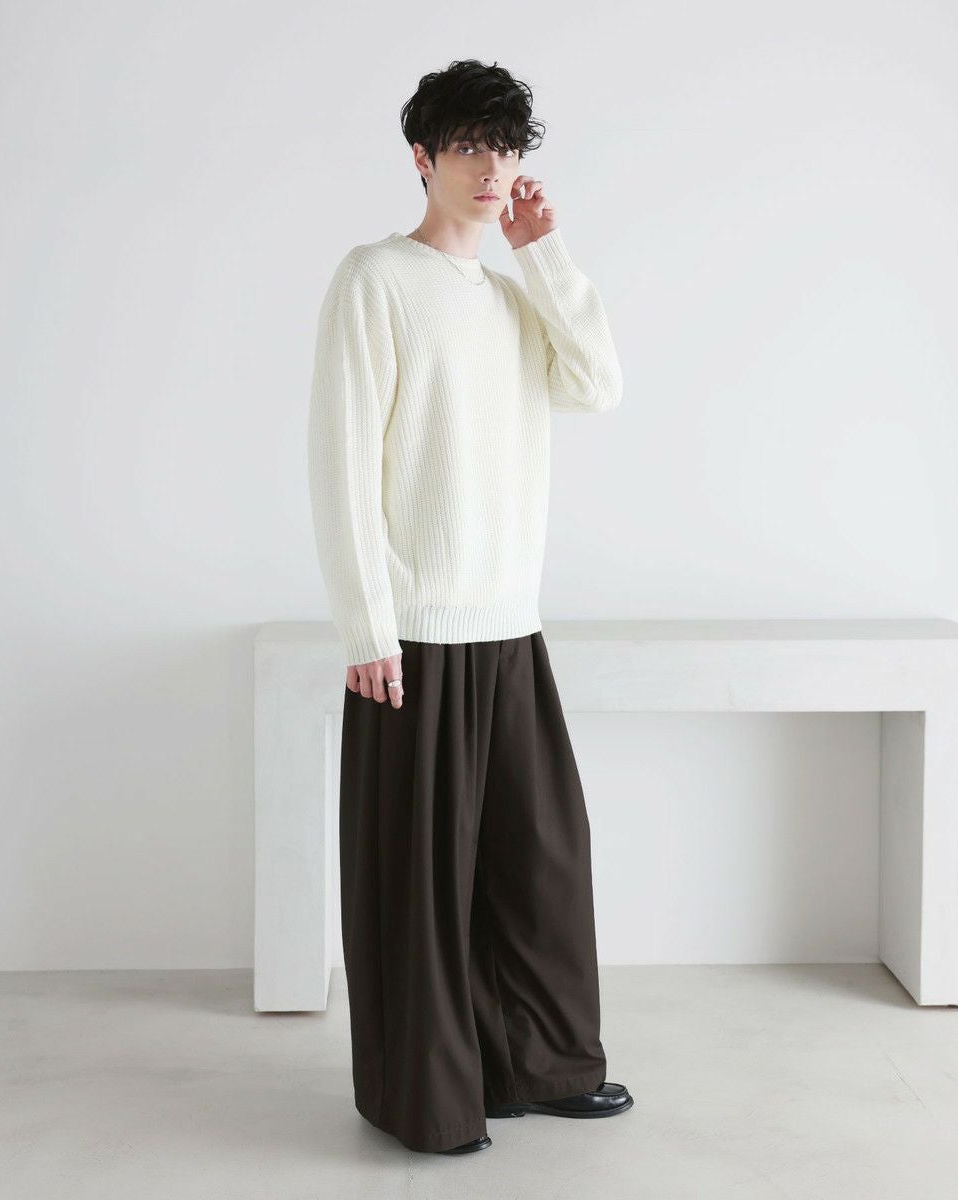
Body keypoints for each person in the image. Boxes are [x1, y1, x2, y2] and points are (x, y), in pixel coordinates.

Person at [307, 58, 634, 1155]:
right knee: (421, 883)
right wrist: (366, 626)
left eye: (505, 147)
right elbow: (341, 461)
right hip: (414, 636)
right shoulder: (375, 279)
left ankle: (541, 1067)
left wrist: (544, 253)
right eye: (467, 148)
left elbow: (597, 383)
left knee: (540, 863)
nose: (491, 169)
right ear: (423, 158)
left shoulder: (510, 298)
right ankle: (429, 1095)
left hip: (510, 628)